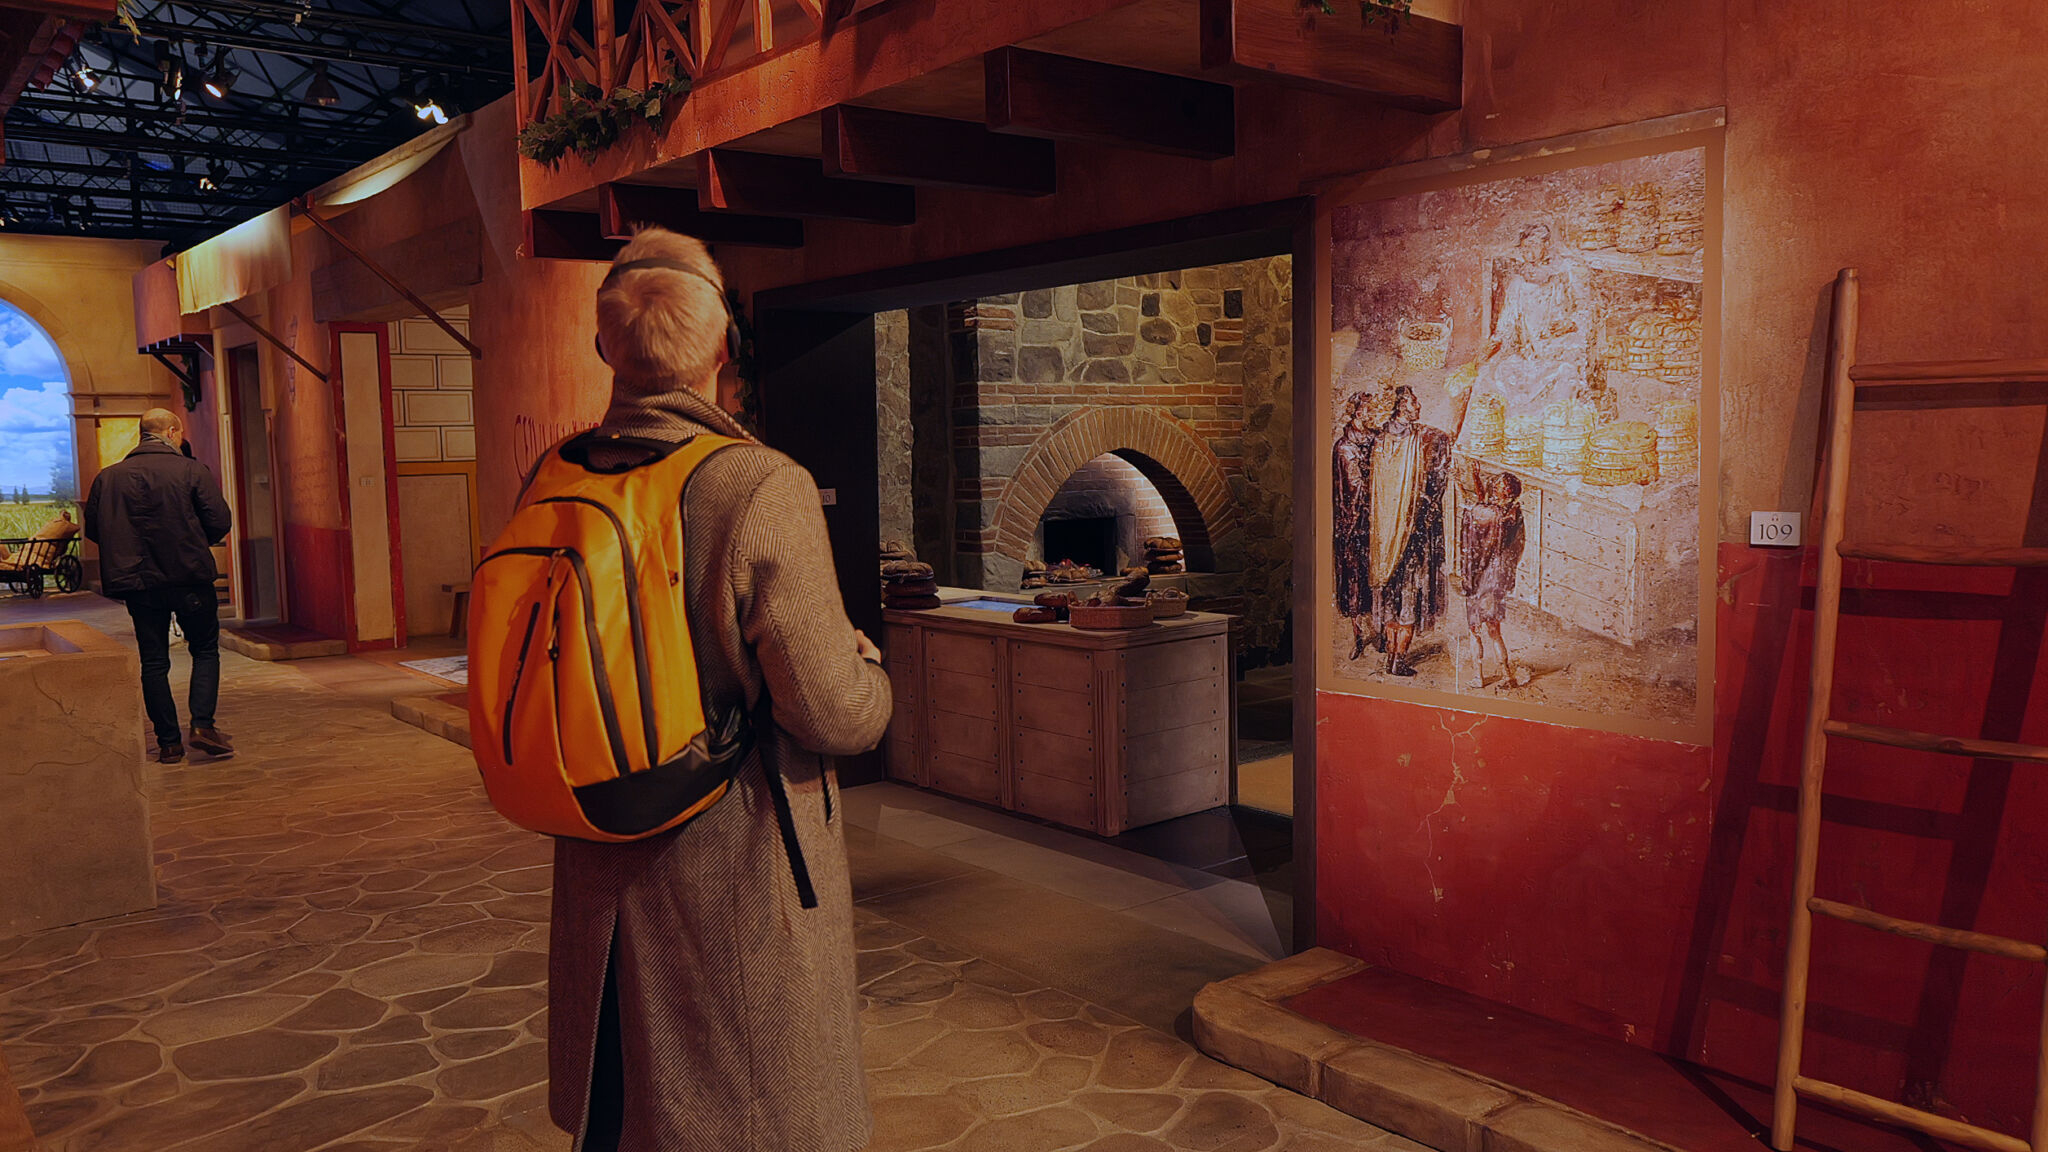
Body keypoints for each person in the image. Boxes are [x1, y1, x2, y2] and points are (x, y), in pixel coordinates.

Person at [546, 227, 892, 1152]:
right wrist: (869, 674)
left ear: (604, 348)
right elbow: (830, 711)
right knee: (748, 1114)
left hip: (597, 850)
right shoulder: (756, 485)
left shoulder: (554, 477)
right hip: (731, 866)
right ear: (724, 348)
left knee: (626, 1107)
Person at [82, 408, 234, 764]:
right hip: (189, 575)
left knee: (153, 660)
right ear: (171, 432)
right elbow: (219, 520)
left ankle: (168, 743)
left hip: (139, 582)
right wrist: (193, 541)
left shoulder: (108, 478)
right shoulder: (192, 470)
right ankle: (202, 725)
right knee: (205, 649)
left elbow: (95, 530)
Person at [1341, 385, 1451, 676]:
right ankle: (1397, 659)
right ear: (1401, 406)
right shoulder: (1423, 439)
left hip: (1385, 535)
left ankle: (1393, 656)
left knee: (1392, 597)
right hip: (1408, 533)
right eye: (1413, 402)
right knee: (1408, 596)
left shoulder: (1379, 438)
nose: (1418, 406)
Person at [1479, 222, 1592, 412]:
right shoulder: (1518, 282)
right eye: (1525, 247)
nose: (1529, 252)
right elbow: (1506, 323)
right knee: (1495, 375)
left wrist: (1571, 323)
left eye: (1534, 245)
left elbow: (1586, 308)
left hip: (1561, 348)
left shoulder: (1565, 273)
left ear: (1546, 245)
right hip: (1530, 351)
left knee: (1565, 379)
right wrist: (1491, 346)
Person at [1459, 469, 1526, 689]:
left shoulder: (1495, 514)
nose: (1495, 488)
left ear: (1506, 491)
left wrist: (1462, 485)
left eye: (1499, 486)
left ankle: (1479, 677)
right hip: (1497, 578)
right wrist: (1475, 479)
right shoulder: (1512, 511)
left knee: (1476, 629)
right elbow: (1482, 505)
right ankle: (1506, 675)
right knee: (1494, 630)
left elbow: (1475, 510)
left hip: (1483, 578)